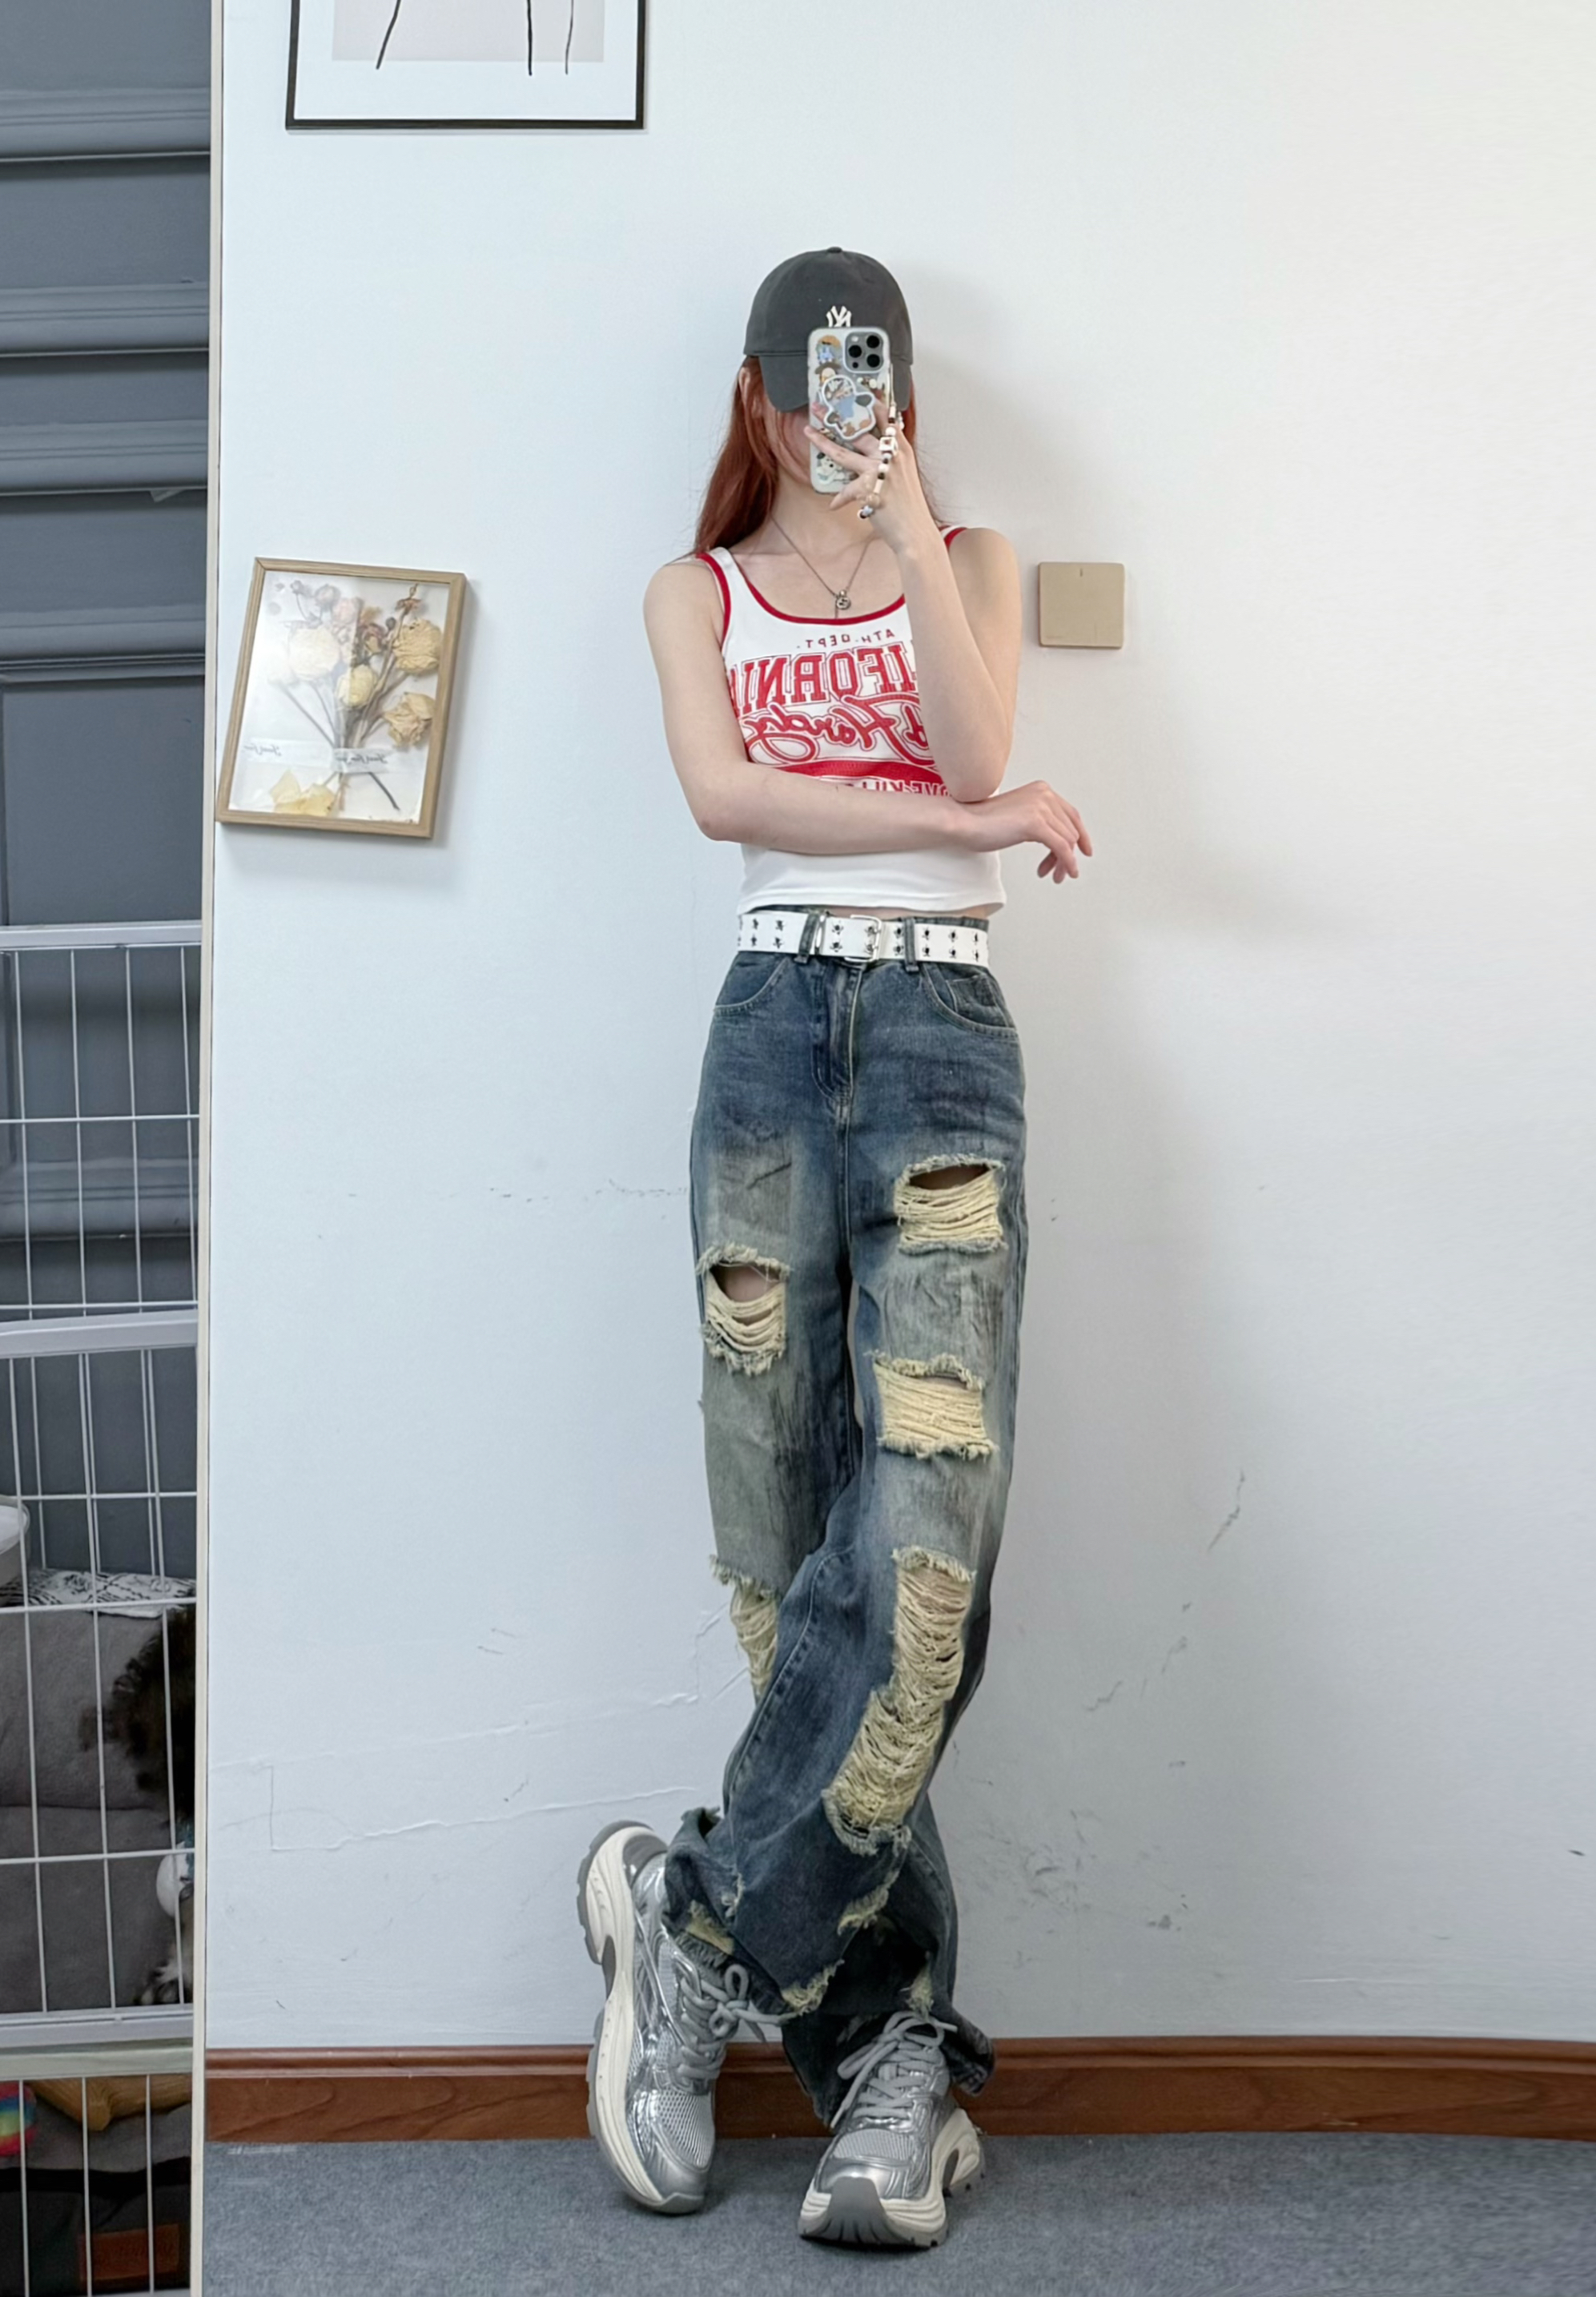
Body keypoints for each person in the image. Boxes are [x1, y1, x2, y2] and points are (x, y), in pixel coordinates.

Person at [577, 247, 1091, 2251]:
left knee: (923, 1546)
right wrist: (973, 826)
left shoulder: (972, 555)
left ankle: (691, 1930)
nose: (835, 415)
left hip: (945, 1034)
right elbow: (727, 798)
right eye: (806, 388)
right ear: (756, 393)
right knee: (785, 1548)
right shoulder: (689, 592)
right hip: (773, 1032)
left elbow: (972, 749)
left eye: (865, 383)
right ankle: (891, 2075)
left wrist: (906, 526)